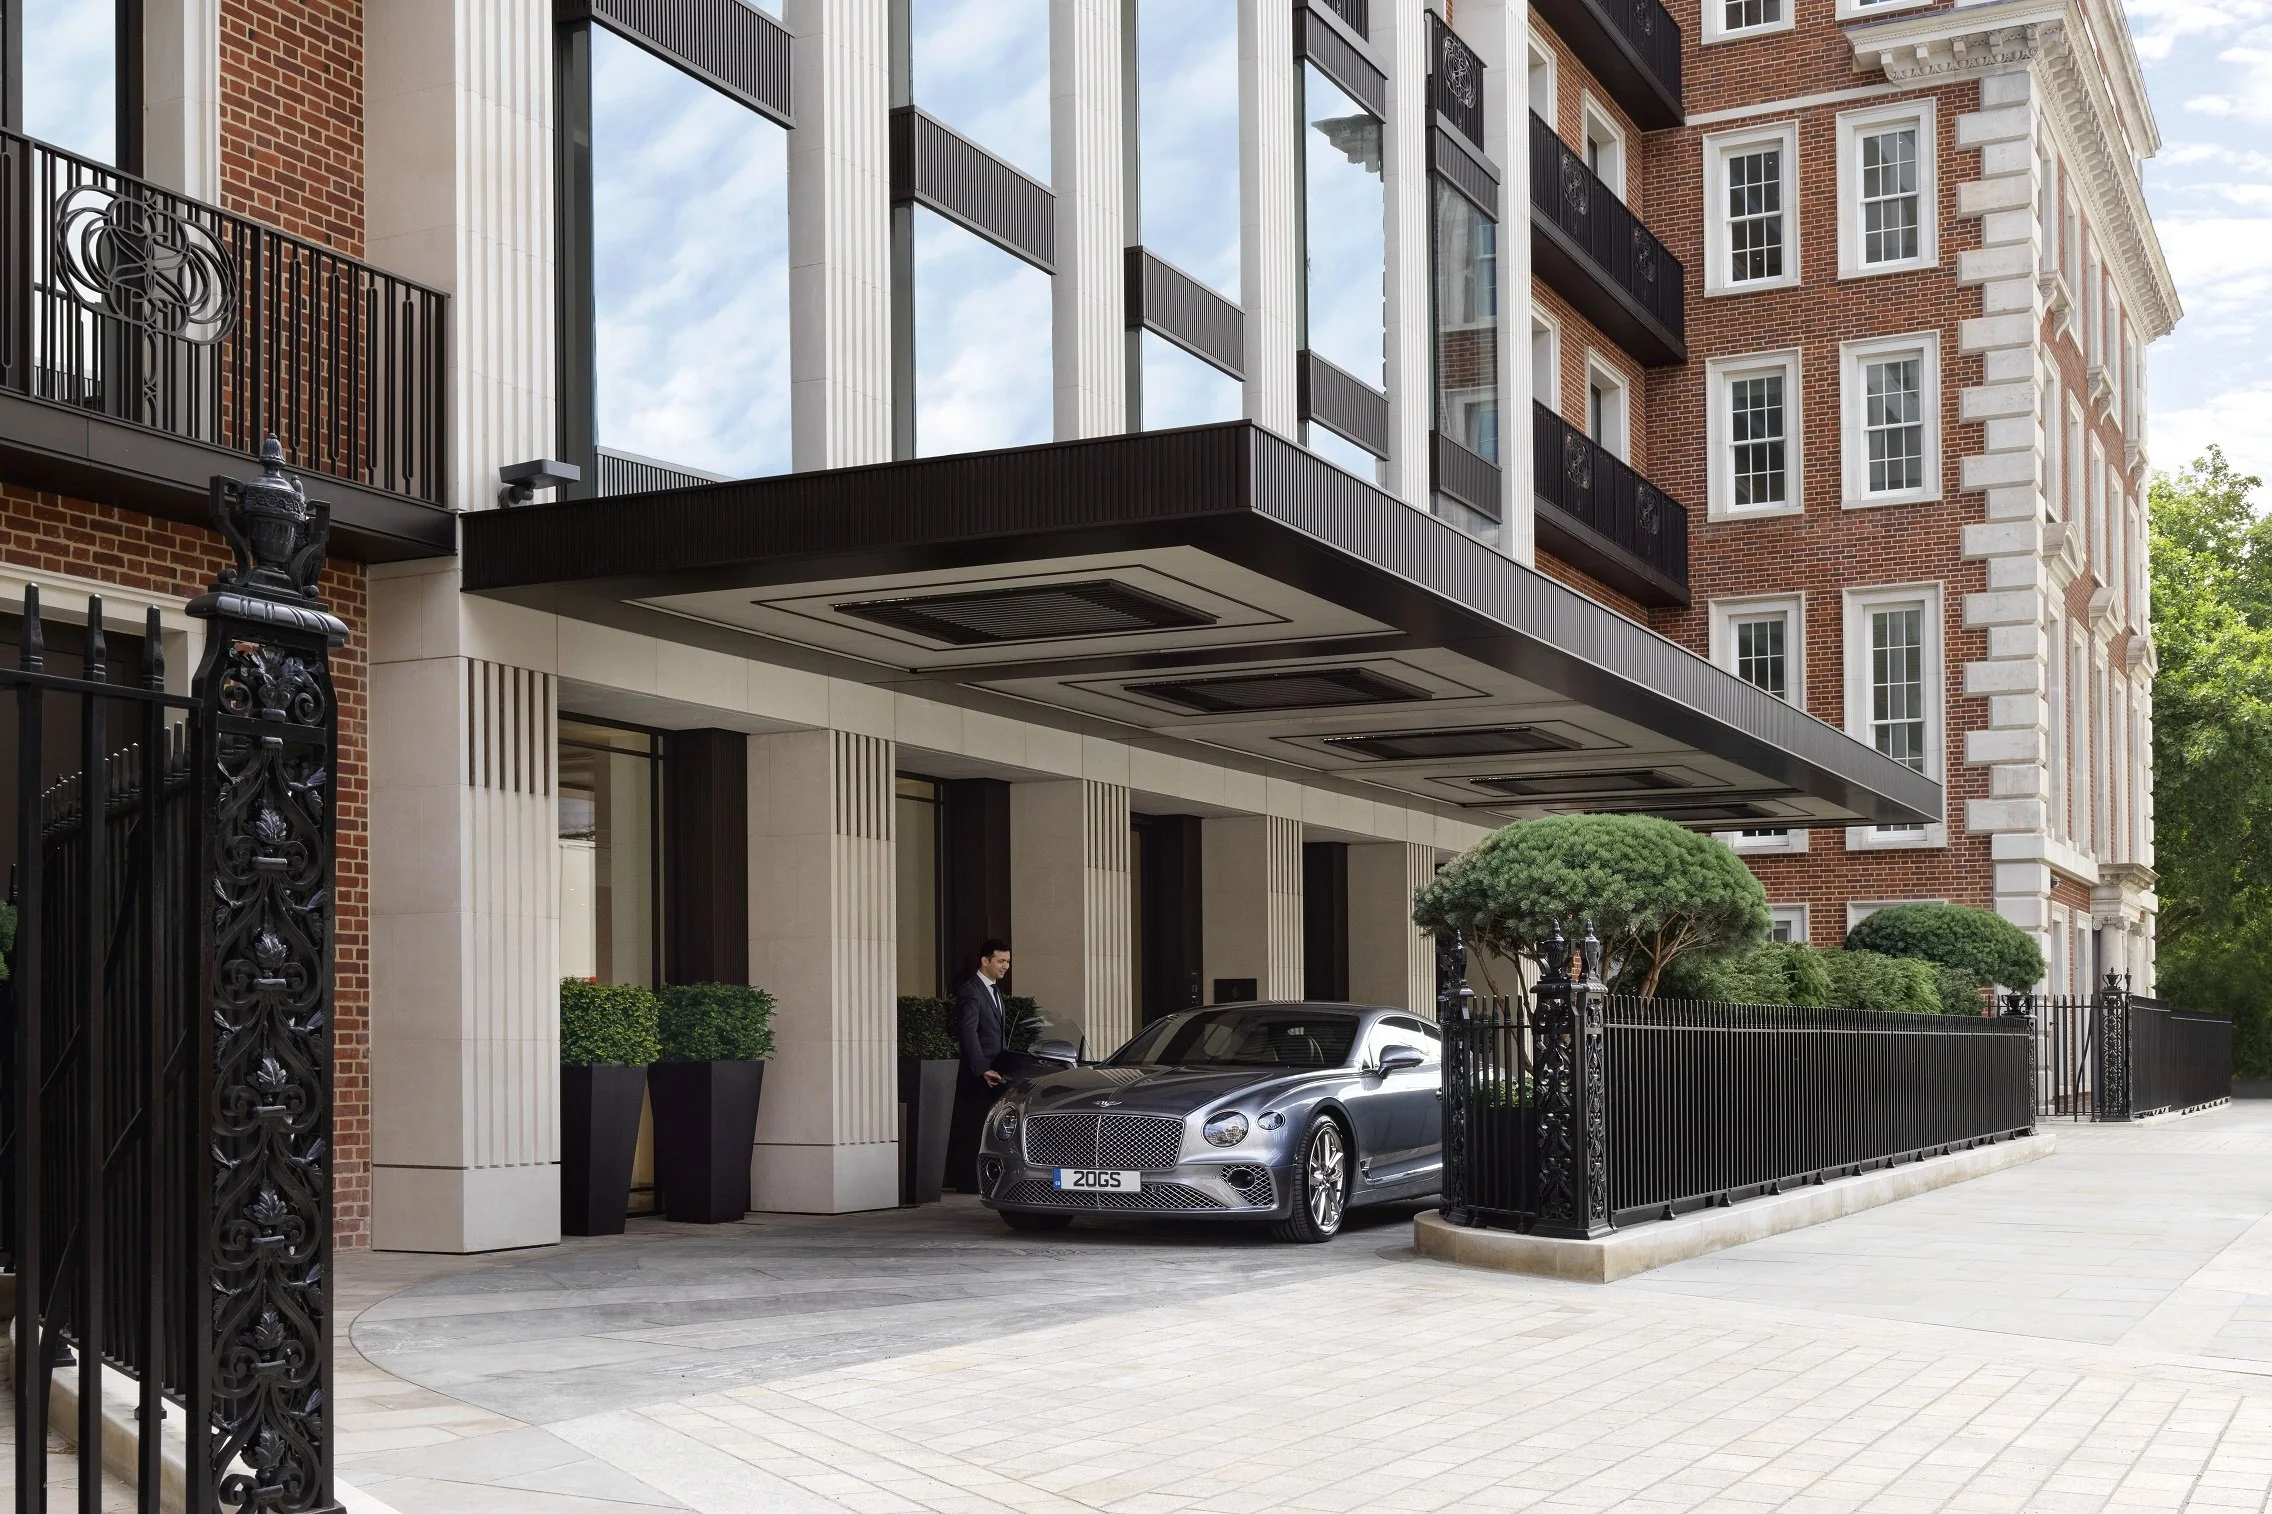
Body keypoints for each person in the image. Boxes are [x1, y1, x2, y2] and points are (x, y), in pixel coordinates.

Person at [945, 939, 1012, 1193]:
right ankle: (969, 1182)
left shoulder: (994, 991)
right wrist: (982, 1067)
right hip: (978, 1075)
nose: (1005, 966)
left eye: (1007, 962)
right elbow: (968, 1033)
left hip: (994, 1072)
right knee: (973, 1127)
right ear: (985, 961)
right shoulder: (971, 990)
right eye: (1001, 961)